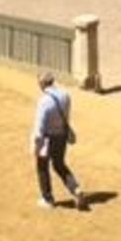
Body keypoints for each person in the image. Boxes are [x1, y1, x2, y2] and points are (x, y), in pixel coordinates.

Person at [30, 71, 87, 210]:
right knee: (59, 164)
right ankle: (76, 189)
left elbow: (39, 128)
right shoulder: (65, 95)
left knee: (42, 167)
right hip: (61, 136)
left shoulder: (43, 101)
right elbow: (66, 115)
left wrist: (36, 146)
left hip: (48, 139)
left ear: (42, 84)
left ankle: (47, 199)